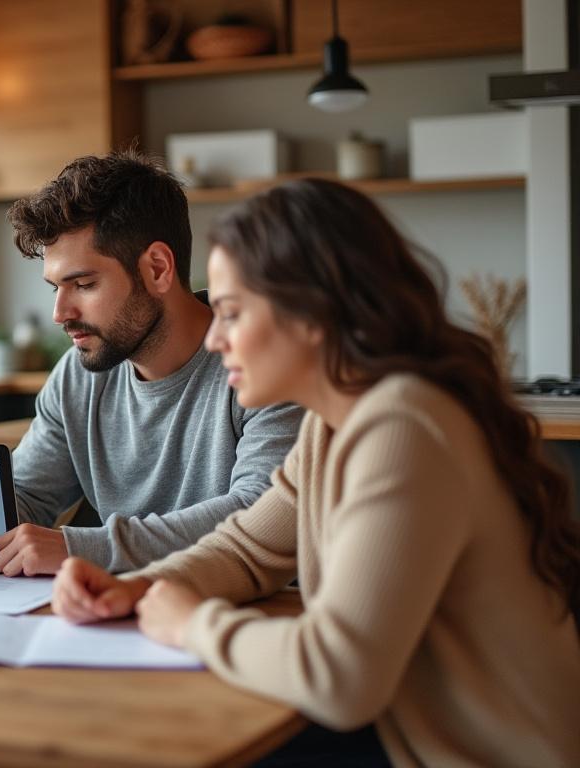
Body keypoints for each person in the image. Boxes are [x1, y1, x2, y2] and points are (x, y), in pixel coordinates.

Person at [53, 179, 580, 766]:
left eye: (232, 313)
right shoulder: (336, 424)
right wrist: (139, 588)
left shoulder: (404, 428)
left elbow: (340, 677)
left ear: (311, 314)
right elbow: (249, 549)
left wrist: (193, 624)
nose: (215, 339)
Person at [0, 151, 303, 576]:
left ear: (157, 269)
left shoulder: (263, 363)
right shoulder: (77, 376)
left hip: (249, 605)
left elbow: (260, 515)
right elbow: (26, 495)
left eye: (84, 284)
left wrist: (84, 547)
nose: (60, 314)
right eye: (55, 288)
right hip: (120, 605)